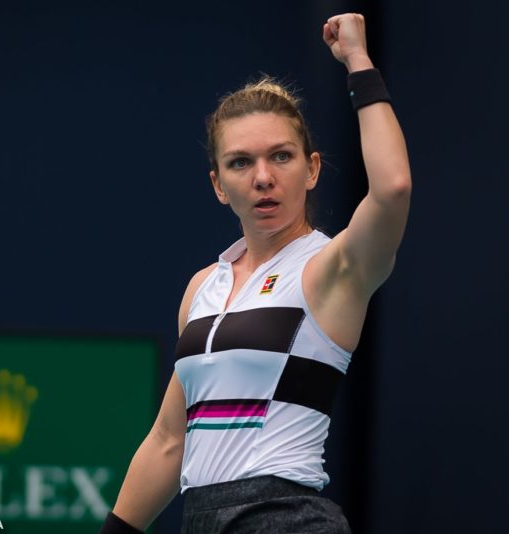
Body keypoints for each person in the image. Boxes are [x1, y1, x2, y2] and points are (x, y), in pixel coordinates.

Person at [100, 12, 411, 534]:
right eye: (241, 162)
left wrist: (358, 61)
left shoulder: (331, 268)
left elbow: (393, 188)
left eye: (281, 157)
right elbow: (169, 442)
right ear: (219, 185)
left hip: (286, 519)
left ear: (312, 169)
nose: (263, 177)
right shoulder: (204, 287)